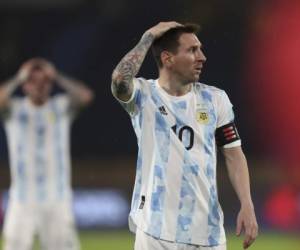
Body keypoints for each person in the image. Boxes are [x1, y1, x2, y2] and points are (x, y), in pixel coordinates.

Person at [111, 22, 258, 250]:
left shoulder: (215, 99)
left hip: (207, 233)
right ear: (168, 59)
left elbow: (233, 154)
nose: (202, 57)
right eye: (192, 50)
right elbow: (120, 80)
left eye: (199, 49)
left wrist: (247, 203)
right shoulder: (143, 95)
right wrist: (148, 37)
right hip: (154, 231)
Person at [0, 58, 94, 250]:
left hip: (57, 198)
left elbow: (85, 96)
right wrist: (18, 78)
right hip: (22, 199)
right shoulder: (15, 109)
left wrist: (57, 76)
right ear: (25, 85)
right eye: (33, 81)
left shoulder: (60, 106)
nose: (39, 86)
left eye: (44, 81)